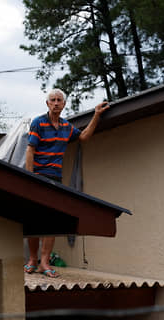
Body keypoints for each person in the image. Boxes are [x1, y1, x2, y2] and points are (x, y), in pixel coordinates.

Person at [25, 88, 110, 278]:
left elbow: (84, 137)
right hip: (37, 176)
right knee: (33, 218)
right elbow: (30, 150)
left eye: (59, 100)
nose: (56, 103)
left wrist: (96, 115)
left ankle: (44, 263)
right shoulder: (39, 122)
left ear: (64, 104)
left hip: (55, 177)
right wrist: (29, 177)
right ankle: (32, 259)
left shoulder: (66, 127)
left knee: (52, 220)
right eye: (52, 100)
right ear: (47, 104)